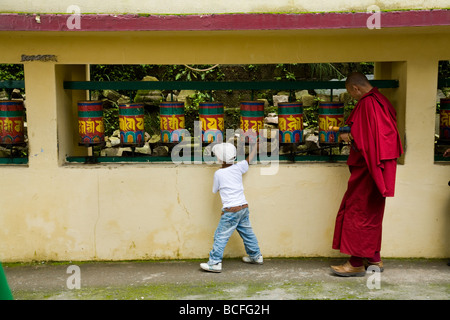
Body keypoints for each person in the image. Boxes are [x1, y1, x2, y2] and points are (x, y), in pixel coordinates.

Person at [331, 72, 404, 277]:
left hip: (367, 168)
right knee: (372, 212)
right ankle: (374, 258)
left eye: (350, 92)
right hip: (380, 166)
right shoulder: (381, 101)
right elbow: (379, 134)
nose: (352, 96)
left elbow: (363, 138)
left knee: (358, 212)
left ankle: (355, 263)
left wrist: (347, 135)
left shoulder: (366, 104)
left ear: (355, 88)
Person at [200, 141, 263, 273]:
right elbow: (248, 160)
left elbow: (215, 190)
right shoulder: (239, 167)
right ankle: (256, 256)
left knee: (220, 236)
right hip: (243, 207)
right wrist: (255, 147)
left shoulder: (219, 174)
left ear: (219, 158)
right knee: (248, 233)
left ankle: (215, 263)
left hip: (231, 210)